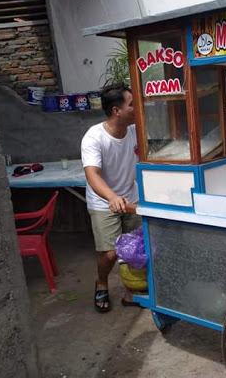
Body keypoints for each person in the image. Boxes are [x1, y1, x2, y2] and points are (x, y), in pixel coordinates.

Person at [81, 83, 140, 311]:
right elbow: (92, 175)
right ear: (117, 110)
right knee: (111, 253)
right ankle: (102, 282)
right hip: (103, 201)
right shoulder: (94, 137)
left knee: (134, 248)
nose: (137, 108)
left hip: (130, 197)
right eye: (132, 104)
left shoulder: (135, 131)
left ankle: (130, 291)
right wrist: (112, 197)